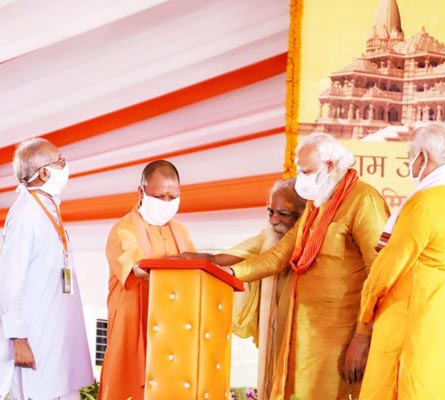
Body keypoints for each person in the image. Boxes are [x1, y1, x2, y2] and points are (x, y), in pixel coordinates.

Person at [227, 133, 389, 400]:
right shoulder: (319, 205)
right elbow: (279, 256)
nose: (301, 178)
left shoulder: (363, 201)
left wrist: (362, 338)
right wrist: (231, 274)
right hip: (303, 336)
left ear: (329, 166)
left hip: (340, 338)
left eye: (306, 171)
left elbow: (380, 273)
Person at [358, 122, 445, 399]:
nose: (410, 166)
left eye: (409, 158)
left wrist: (365, 312)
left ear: (422, 157)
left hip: (416, 321)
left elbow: (389, 266)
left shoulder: (426, 201)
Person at [181, 178, 305, 397]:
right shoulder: (267, 237)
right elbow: (219, 258)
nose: (274, 220)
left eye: (283, 214)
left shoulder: (316, 243)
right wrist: (189, 259)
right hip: (274, 334)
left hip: (307, 335)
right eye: (271, 212)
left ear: (304, 214)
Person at [0, 138, 93, 400]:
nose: (66, 164)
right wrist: (18, 339)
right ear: (43, 172)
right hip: (35, 341)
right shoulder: (25, 213)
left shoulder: (49, 207)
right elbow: (9, 282)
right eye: (60, 160)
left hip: (56, 339)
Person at [98, 160, 195, 400]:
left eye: (173, 197)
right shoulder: (124, 230)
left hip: (170, 328)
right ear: (141, 192)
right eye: (159, 196)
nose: (166, 203)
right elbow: (138, 267)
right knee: (127, 387)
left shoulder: (180, 231)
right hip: (132, 326)